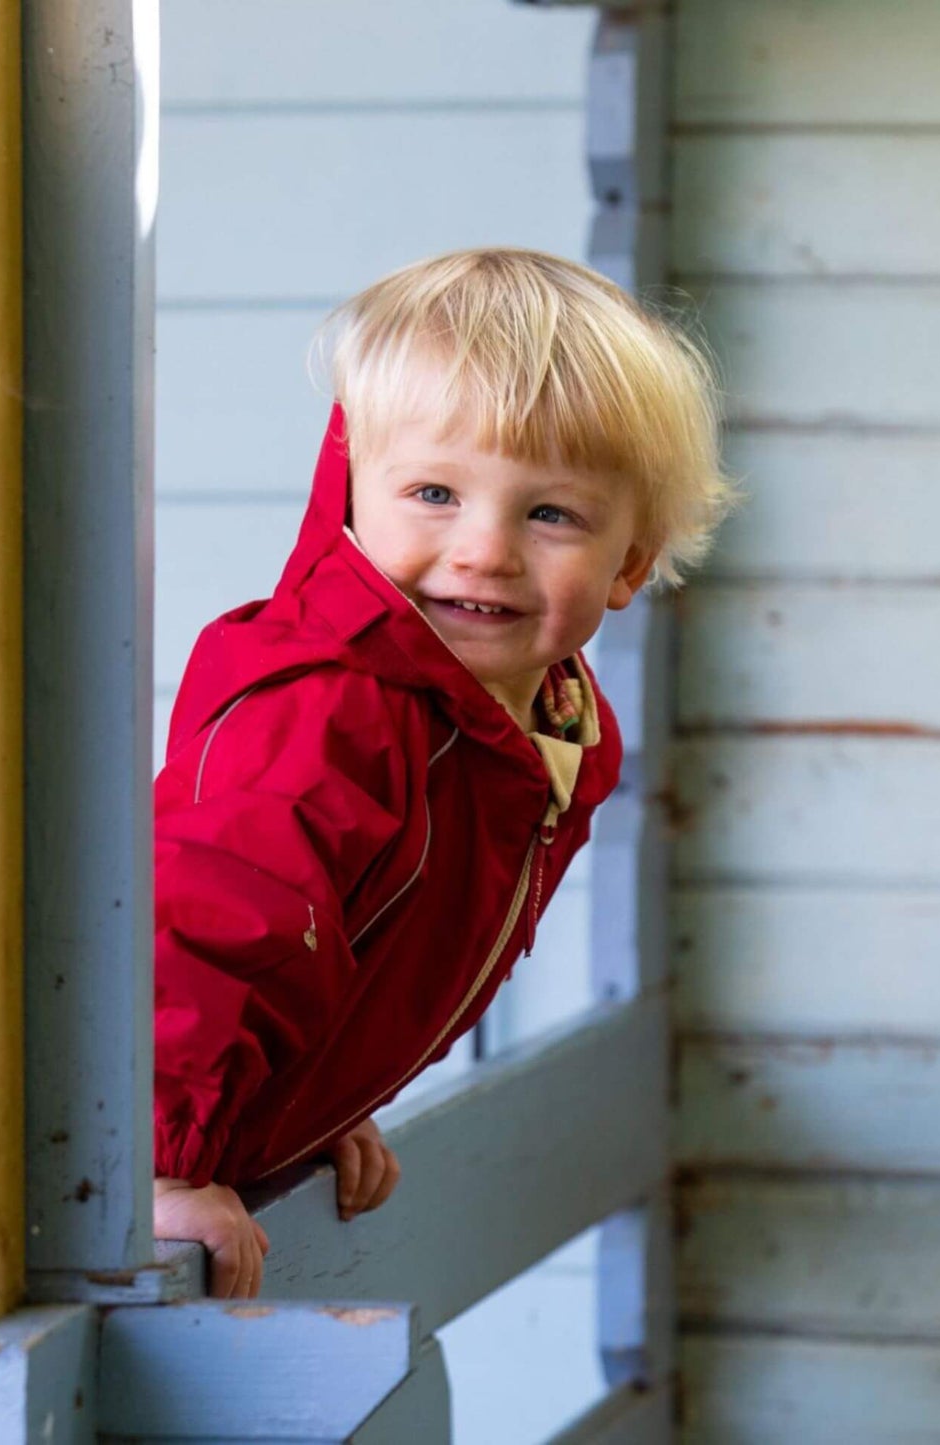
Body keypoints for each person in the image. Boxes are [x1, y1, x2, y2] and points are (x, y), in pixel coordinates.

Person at [151, 247, 738, 1298]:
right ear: (347, 496)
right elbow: (203, 935)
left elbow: (362, 936)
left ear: (630, 563)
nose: (483, 550)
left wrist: (313, 1096)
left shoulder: (553, 722)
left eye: (549, 513)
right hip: (102, 1157)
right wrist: (156, 1159)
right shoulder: (327, 706)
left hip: (230, 1129)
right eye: (432, 491)